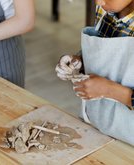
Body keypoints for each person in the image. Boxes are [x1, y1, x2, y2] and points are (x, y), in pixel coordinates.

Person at [56, 0, 134, 145]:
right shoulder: (107, 8)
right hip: (96, 124)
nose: (98, 2)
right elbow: (114, 57)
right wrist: (80, 61)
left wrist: (108, 90)